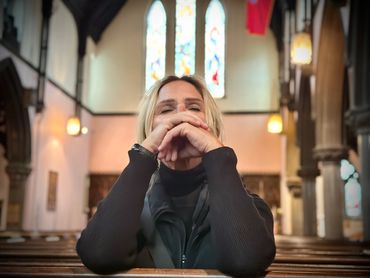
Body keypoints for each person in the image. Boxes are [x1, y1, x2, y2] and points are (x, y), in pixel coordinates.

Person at [76, 75, 276, 276]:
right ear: (149, 128)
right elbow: (98, 255)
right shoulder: (129, 209)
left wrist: (216, 153)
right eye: (166, 110)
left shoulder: (251, 209)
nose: (181, 116)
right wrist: (144, 155)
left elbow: (247, 261)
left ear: (211, 125)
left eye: (194, 108)